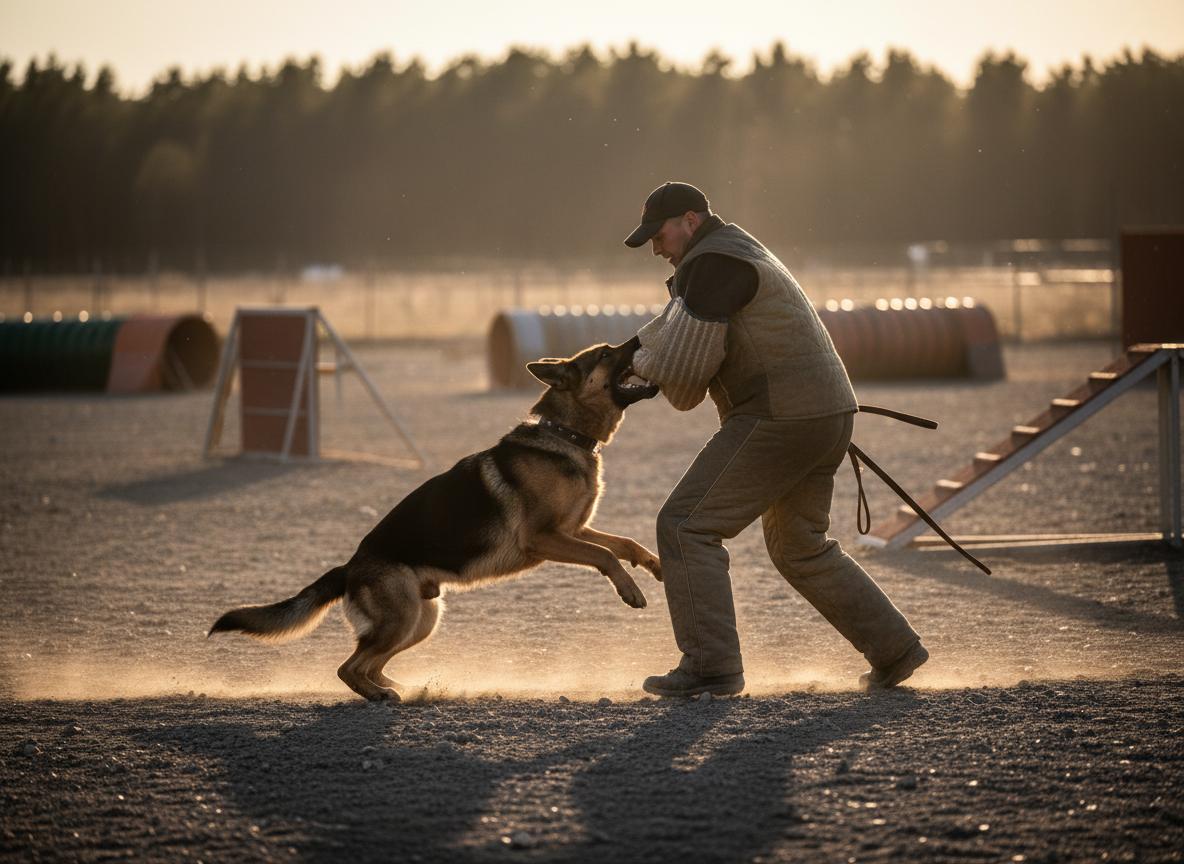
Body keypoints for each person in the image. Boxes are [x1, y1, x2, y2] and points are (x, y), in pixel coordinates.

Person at [623, 181, 928, 698]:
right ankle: (894, 648)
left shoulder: (712, 264)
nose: (655, 246)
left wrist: (632, 369)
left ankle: (711, 666)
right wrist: (640, 354)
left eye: (660, 233)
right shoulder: (737, 248)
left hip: (779, 417)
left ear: (691, 221)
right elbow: (677, 336)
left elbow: (685, 379)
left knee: (684, 526)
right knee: (799, 547)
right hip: (827, 412)